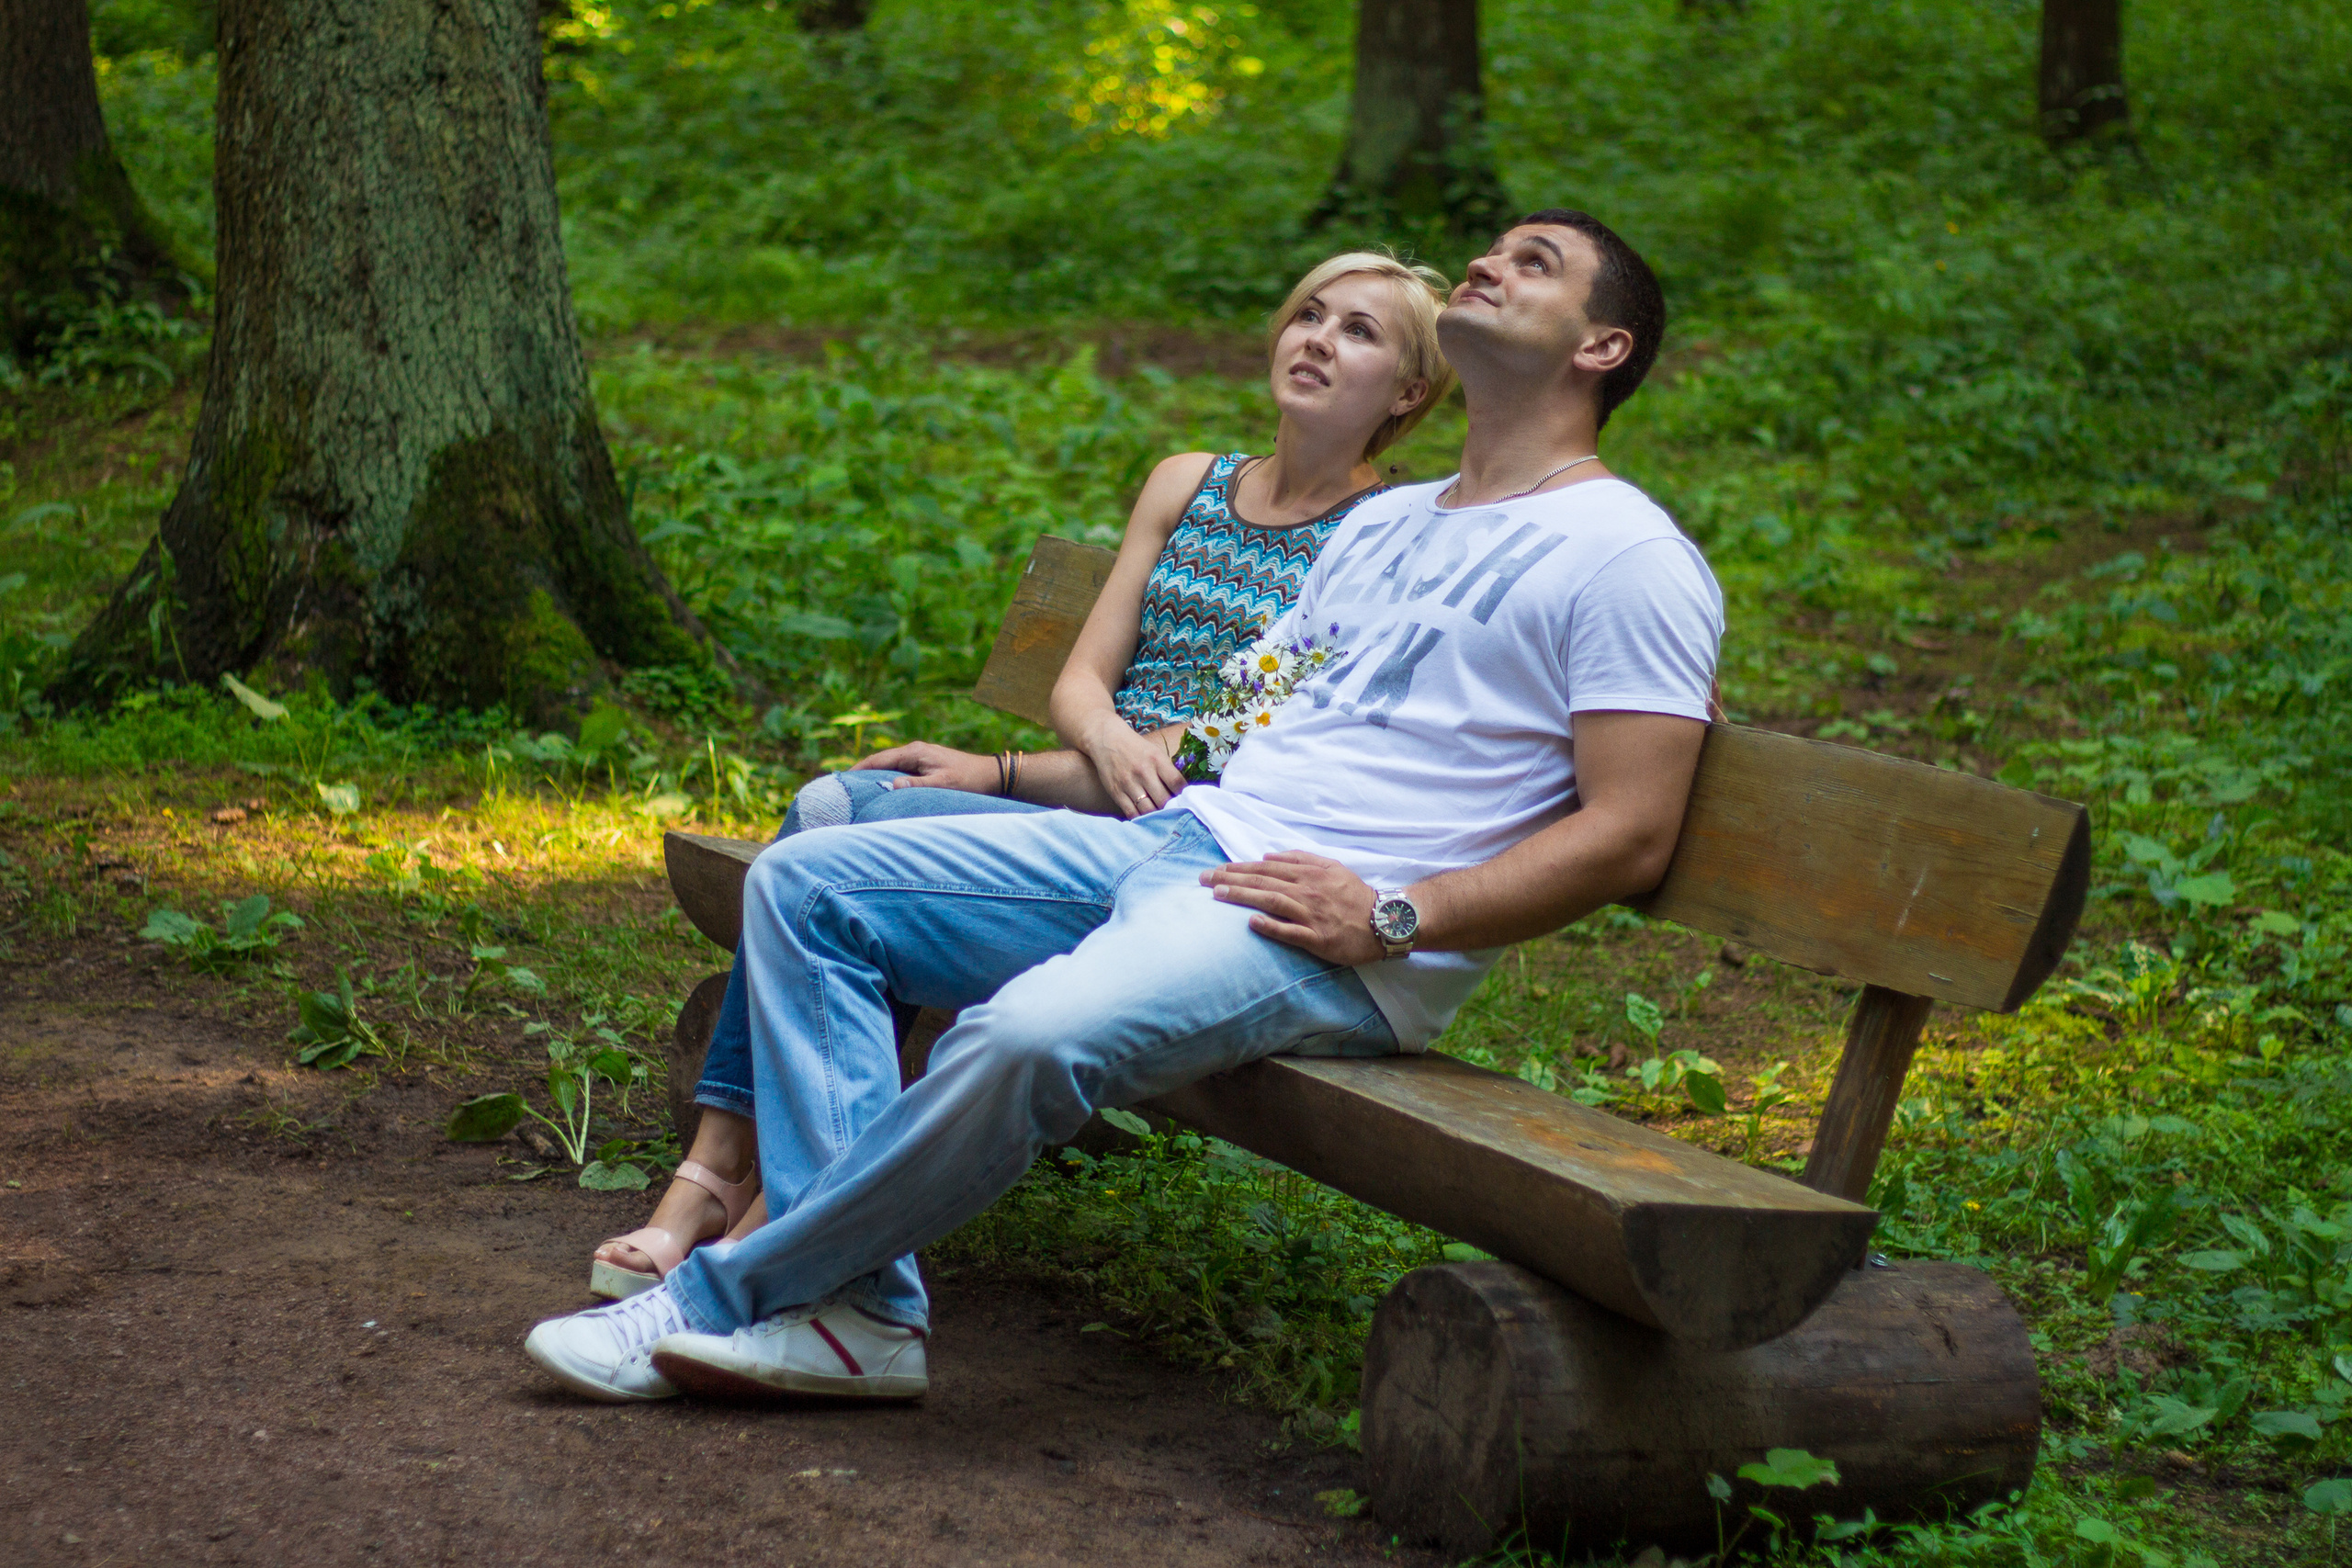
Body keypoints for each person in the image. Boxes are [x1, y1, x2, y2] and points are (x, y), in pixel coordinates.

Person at [526, 207, 1724, 1405]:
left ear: (1600, 347)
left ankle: (726, 1292)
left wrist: (1396, 914)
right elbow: (1227, 725)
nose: (1489, 264)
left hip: (1316, 931)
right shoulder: (1395, 525)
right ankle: (856, 1306)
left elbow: (1630, 832)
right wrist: (1007, 776)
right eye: (1495, 248)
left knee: (1025, 1033)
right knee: (809, 879)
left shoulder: (1624, 554)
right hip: (1182, 842)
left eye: (1535, 264)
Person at [584, 252, 1456, 1302]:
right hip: (1090, 792)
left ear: (1409, 393)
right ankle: (722, 1175)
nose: (1316, 339)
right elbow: (1083, 683)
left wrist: (1023, 773)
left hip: (1183, 834)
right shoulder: (1191, 481)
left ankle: (762, 1205)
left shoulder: (1379, 537)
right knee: (832, 812)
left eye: (1358, 331)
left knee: (837, 849)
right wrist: (1060, 754)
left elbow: (1226, 749)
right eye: (1307, 315)